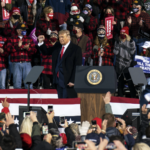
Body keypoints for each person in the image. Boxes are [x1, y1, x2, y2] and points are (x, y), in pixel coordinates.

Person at [38, 30, 82, 98]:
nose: (60, 39)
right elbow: (46, 52)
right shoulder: (57, 45)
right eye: (59, 37)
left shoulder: (76, 49)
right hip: (58, 80)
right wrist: (41, 42)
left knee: (67, 102)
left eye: (62, 37)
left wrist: (73, 80)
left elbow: (77, 66)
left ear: (68, 37)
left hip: (68, 81)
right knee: (60, 101)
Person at [6, 23, 37, 89]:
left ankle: (30, 99)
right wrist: (17, 46)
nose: (24, 31)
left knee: (29, 84)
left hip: (27, 63)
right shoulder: (11, 39)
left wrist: (28, 48)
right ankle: (18, 99)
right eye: (23, 30)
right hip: (16, 63)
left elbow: (34, 50)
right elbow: (8, 49)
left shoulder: (29, 39)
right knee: (17, 84)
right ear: (18, 31)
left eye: (25, 30)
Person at [113, 26, 136, 98]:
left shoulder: (131, 42)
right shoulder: (117, 41)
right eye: (121, 33)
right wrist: (117, 45)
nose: (122, 34)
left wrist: (131, 44)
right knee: (120, 83)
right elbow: (115, 52)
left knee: (130, 82)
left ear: (126, 34)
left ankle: (133, 97)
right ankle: (120, 97)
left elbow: (133, 52)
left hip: (127, 65)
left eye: (123, 33)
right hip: (119, 64)